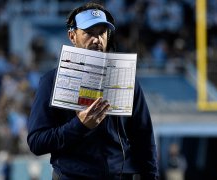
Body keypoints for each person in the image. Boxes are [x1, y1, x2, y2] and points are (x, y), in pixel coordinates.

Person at [27, 1, 159, 179]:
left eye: (102, 33)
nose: (97, 40)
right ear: (72, 36)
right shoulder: (52, 80)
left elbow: (144, 138)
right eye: (89, 33)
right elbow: (37, 142)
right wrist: (79, 126)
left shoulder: (126, 79)